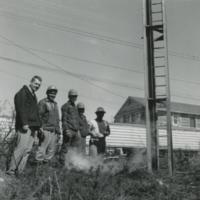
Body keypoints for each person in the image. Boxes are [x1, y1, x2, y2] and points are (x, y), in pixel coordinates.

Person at [7, 75, 42, 175]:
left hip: (33, 127)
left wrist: (39, 126)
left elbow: (35, 113)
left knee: (27, 150)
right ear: (30, 82)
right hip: (25, 126)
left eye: (39, 85)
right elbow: (20, 109)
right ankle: (11, 170)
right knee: (20, 148)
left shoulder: (33, 96)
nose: (37, 86)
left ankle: (20, 172)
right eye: (36, 83)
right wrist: (24, 123)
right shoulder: (22, 93)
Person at [35, 86, 61, 163]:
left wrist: (58, 132)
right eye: (51, 93)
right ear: (47, 93)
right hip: (45, 130)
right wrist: (40, 128)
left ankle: (45, 169)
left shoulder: (55, 104)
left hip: (54, 131)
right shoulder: (43, 102)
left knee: (51, 151)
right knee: (41, 150)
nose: (53, 95)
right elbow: (39, 116)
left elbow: (57, 119)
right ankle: (37, 168)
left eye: (54, 93)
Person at [59, 89, 81, 165]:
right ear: (69, 96)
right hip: (69, 130)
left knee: (73, 149)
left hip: (75, 131)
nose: (74, 98)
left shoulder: (75, 107)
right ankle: (62, 164)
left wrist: (77, 130)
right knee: (65, 148)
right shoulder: (65, 106)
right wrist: (66, 130)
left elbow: (77, 119)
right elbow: (63, 119)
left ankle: (71, 164)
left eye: (75, 96)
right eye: (72, 96)